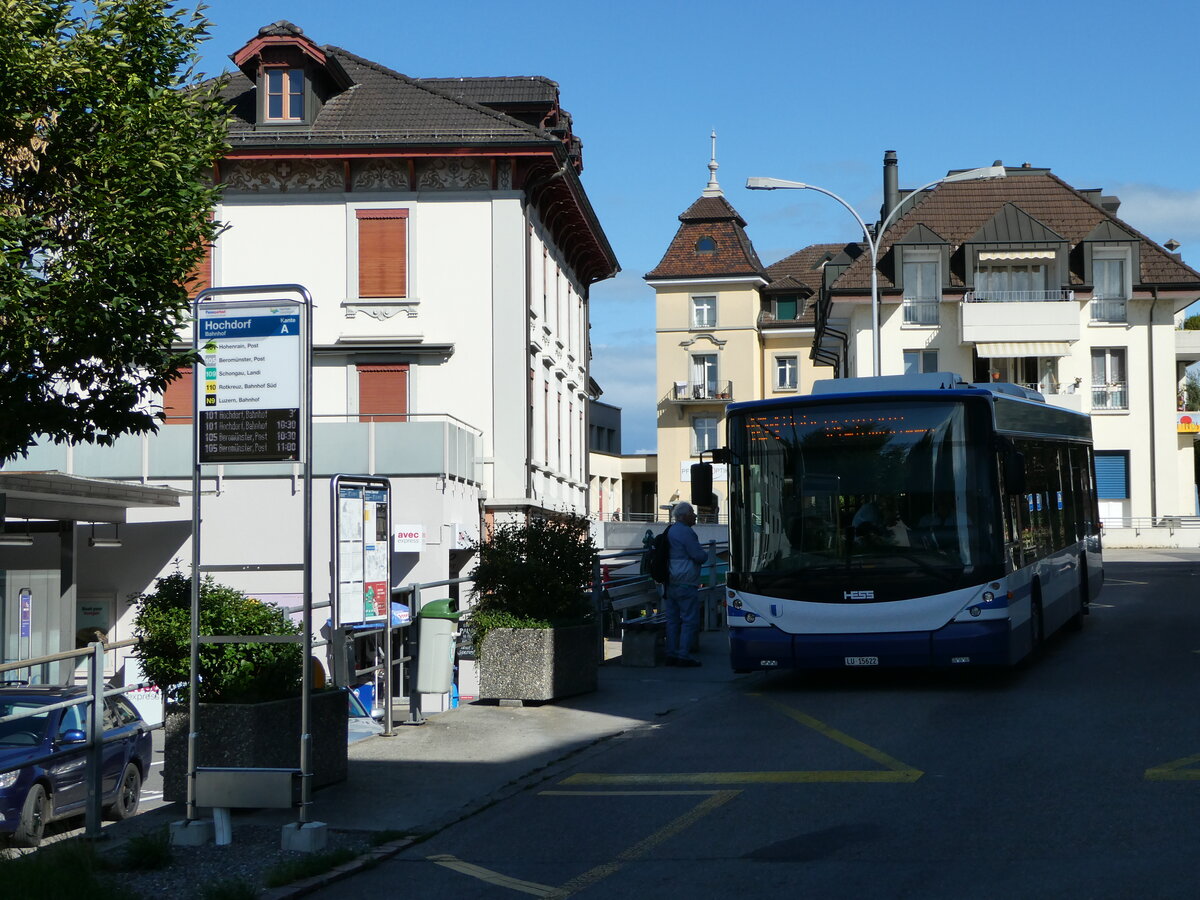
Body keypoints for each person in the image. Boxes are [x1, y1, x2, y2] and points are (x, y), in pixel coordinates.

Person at [664, 502, 708, 667]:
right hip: (686, 581)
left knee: (673, 620)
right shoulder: (686, 532)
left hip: (670, 581)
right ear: (684, 516)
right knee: (690, 620)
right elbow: (698, 556)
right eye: (692, 513)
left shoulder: (670, 530)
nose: (695, 516)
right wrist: (704, 555)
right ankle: (684, 655)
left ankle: (671, 653)